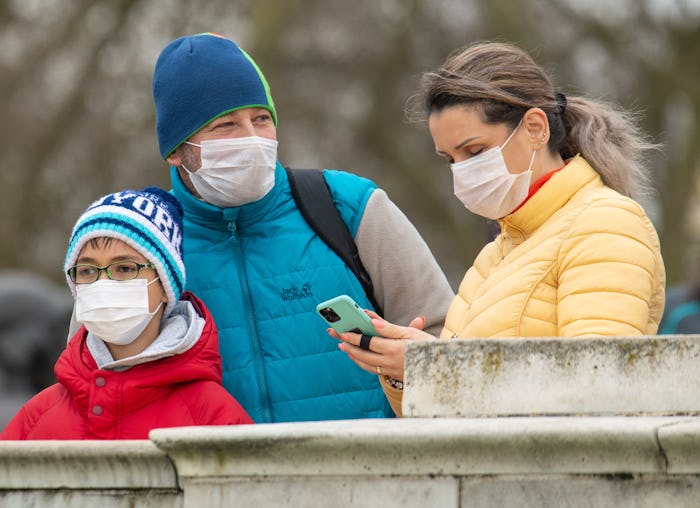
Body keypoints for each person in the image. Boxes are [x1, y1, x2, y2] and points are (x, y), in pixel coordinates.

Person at [331, 41, 666, 416]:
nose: (461, 172)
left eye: (474, 152)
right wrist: (409, 370)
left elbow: (596, 388)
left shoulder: (606, 224)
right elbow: (450, 414)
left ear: (536, 128)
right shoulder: (496, 252)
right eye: (450, 159)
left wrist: (437, 367)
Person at [151, 33, 454, 423]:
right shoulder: (145, 241)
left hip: (367, 477)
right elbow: (95, 379)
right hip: (214, 481)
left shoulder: (347, 207)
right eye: (225, 125)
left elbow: (445, 339)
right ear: (176, 150)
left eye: (261, 119)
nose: (252, 139)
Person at [1, 187, 252, 439]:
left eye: (124, 268)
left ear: (165, 286)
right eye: (87, 271)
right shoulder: (36, 418)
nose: (103, 283)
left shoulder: (214, 417)